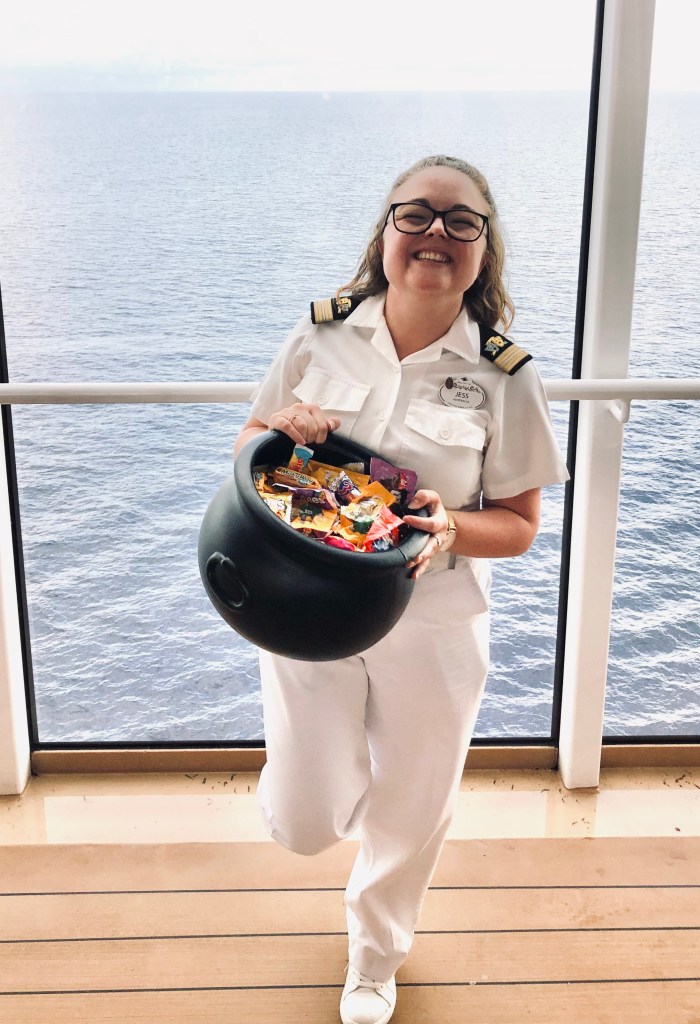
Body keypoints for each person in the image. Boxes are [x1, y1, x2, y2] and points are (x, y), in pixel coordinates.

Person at [234, 155, 569, 1024]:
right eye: (414, 215)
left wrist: (452, 522)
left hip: (436, 623)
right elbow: (246, 443)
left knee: (415, 806)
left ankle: (374, 959)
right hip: (309, 612)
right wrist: (282, 429)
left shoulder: (506, 375)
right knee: (306, 821)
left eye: (462, 222)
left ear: (485, 250)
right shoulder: (320, 335)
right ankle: (329, 811)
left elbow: (523, 524)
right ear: (384, 233)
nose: (436, 235)